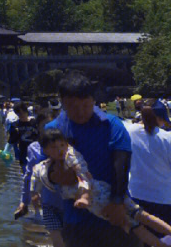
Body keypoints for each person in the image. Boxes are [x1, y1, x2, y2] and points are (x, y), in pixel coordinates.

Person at [30, 127, 171, 246]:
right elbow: (34, 178)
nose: (59, 150)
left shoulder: (71, 156)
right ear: (46, 150)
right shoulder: (43, 167)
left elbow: (82, 173)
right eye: (54, 147)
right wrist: (34, 194)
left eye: (62, 145)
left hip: (103, 192)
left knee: (141, 215)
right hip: (97, 206)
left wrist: (84, 195)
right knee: (134, 226)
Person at [50, 72, 137, 247]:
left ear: (93, 100)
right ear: (63, 103)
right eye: (73, 107)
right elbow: (51, 174)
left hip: (115, 211)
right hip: (76, 219)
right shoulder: (53, 130)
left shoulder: (112, 125)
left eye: (86, 105)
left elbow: (121, 164)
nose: (81, 112)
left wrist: (117, 201)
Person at [15, 108, 65, 247]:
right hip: (48, 201)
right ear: (37, 127)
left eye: (51, 125)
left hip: (68, 200)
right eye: (44, 126)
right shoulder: (34, 148)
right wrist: (24, 201)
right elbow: (29, 175)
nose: (48, 129)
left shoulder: (67, 147)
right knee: (57, 240)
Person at [126, 100, 171, 225]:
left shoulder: (128, 132)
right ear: (159, 118)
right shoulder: (166, 138)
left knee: (144, 238)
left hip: (136, 194)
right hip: (164, 198)